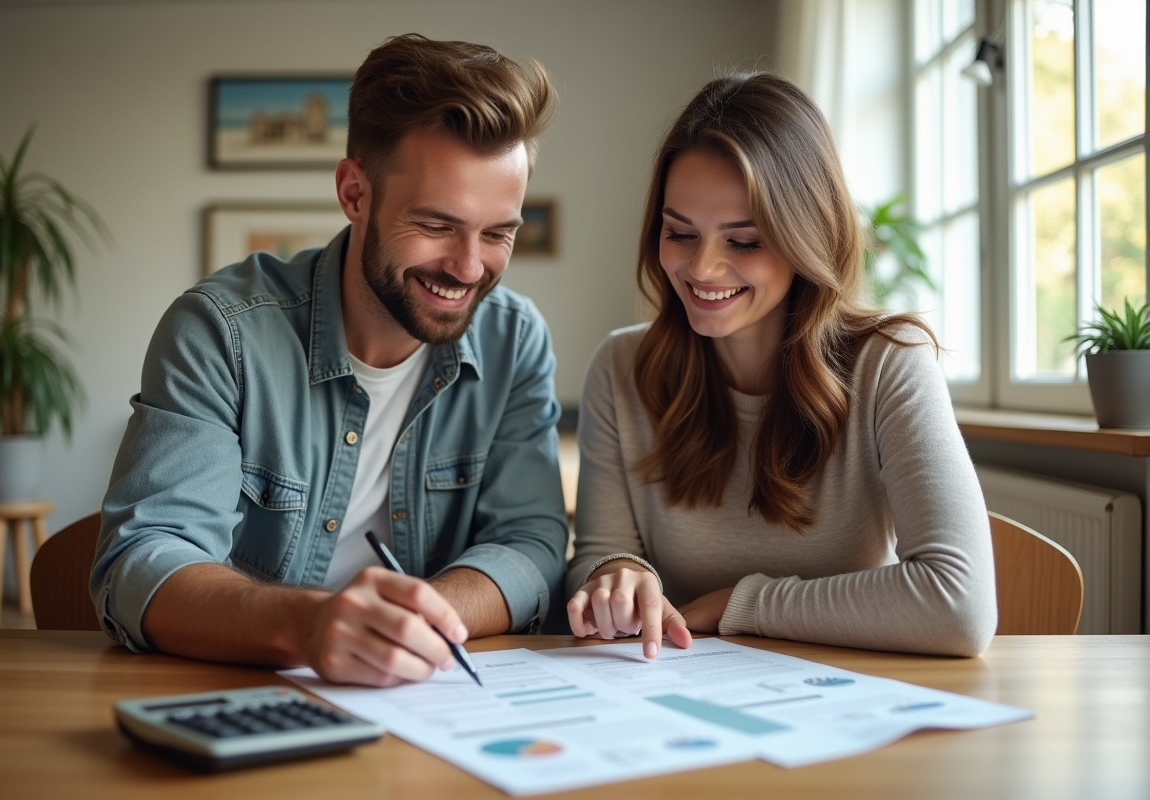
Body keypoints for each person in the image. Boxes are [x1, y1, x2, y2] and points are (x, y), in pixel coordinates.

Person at [91, 34, 568, 686]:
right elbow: (142, 561)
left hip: (427, 700)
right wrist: (310, 625)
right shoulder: (220, 332)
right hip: (244, 693)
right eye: (436, 226)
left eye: (497, 234)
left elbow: (531, 542)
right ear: (354, 193)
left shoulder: (515, 339)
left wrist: (418, 619)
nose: (468, 267)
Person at [565, 72, 996, 660]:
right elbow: (596, 557)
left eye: (744, 241)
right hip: (675, 687)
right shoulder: (620, 367)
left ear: (806, 237)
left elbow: (959, 606)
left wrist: (743, 605)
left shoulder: (889, 364)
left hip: (846, 690)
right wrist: (614, 576)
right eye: (680, 233)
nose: (702, 269)